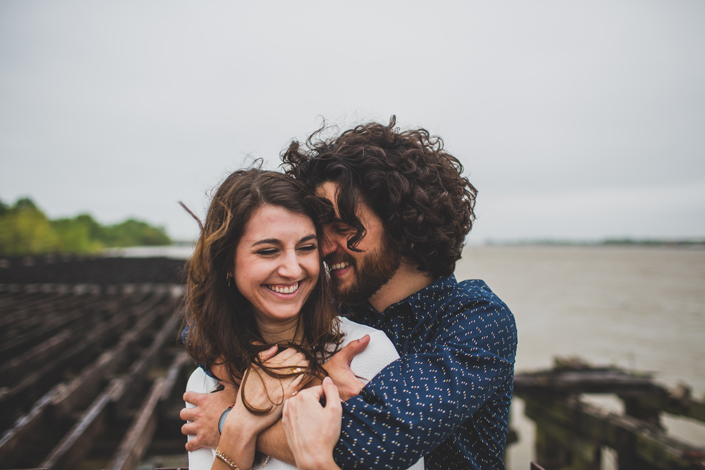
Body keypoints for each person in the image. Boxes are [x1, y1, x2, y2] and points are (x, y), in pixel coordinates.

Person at [184, 117, 517, 469]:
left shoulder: (476, 320)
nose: (325, 248)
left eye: (343, 229)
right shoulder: (344, 304)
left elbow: (369, 447)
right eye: (320, 231)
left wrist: (231, 422)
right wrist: (308, 376)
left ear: (402, 223)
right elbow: (213, 325)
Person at [180, 168, 423, 470]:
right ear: (227, 262)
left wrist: (231, 421)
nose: (293, 270)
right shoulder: (206, 382)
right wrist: (239, 425)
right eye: (269, 251)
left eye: (307, 248)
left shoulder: (366, 354)